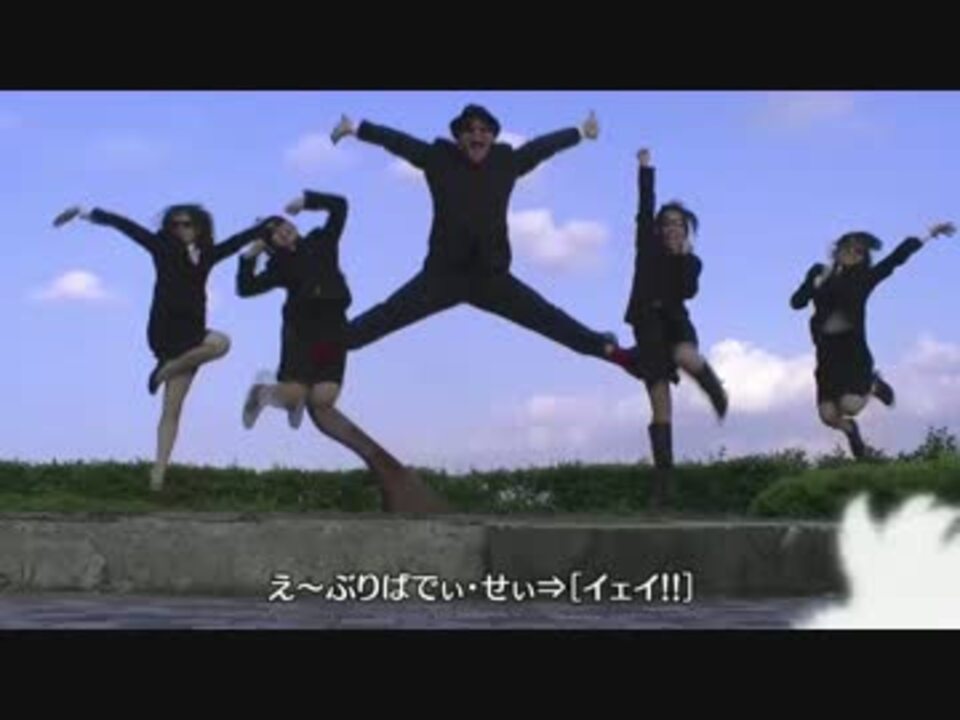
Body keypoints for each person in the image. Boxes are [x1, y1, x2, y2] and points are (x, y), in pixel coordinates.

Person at [329, 104, 645, 378]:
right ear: (458, 138)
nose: (477, 136)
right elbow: (398, 142)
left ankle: (619, 356)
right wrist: (356, 129)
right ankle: (321, 349)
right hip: (443, 277)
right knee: (385, 317)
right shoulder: (438, 159)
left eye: (483, 131)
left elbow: (540, 148)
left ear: (493, 137)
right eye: (469, 130)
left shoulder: (506, 162)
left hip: (491, 278)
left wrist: (579, 132)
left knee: (549, 319)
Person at [236, 191, 448, 513]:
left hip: (333, 330)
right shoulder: (278, 267)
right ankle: (262, 392)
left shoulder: (322, 241)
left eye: (283, 225)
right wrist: (249, 256)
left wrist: (308, 200)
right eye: (273, 233)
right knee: (294, 396)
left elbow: (340, 207)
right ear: (271, 245)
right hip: (301, 333)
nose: (282, 231)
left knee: (323, 401)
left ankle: (387, 472)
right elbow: (245, 288)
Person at [53, 203, 272, 490]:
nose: (180, 229)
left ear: (199, 228)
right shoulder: (161, 247)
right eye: (175, 225)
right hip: (165, 330)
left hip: (193, 334)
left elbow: (236, 242)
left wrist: (266, 227)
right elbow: (126, 226)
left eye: (187, 224)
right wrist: (84, 213)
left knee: (173, 409)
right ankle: (165, 369)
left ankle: (158, 474)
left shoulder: (207, 255)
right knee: (221, 343)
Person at [790, 221, 955, 458]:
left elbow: (896, 258)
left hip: (853, 354)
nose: (852, 253)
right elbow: (796, 303)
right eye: (848, 247)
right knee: (828, 417)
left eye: (859, 251)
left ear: (863, 257)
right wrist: (812, 285)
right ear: (838, 249)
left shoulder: (865, 279)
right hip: (826, 355)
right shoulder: (818, 271)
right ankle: (851, 431)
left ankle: (872, 384)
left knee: (850, 406)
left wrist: (928, 234)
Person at [624, 148, 728, 507]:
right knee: (660, 404)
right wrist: (645, 169)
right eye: (667, 223)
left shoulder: (691, 261)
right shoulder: (646, 247)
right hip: (646, 326)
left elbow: (688, 291)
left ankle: (715, 389)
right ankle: (664, 482)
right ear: (657, 229)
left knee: (685, 354)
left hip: (676, 321)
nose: (672, 228)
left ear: (686, 231)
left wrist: (683, 258)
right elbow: (644, 207)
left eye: (679, 224)